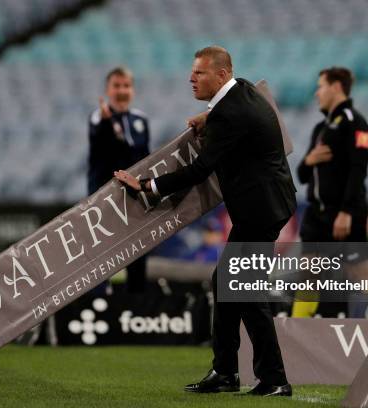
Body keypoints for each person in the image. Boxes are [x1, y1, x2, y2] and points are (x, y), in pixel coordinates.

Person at [115, 46, 296, 397]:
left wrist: (147, 185)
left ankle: (274, 378)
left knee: (245, 290)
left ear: (222, 75)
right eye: (192, 72)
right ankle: (226, 372)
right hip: (267, 204)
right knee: (226, 282)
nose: (190, 78)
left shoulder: (230, 113)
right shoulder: (242, 90)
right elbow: (234, 112)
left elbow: (200, 170)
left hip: (261, 210)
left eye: (199, 73)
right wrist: (208, 116)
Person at [292, 67, 368, 318]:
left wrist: (346, 211)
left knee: (360, 274)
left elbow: (359, 170)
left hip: (344, 214)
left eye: (320, 86)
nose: (316, 93)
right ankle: (292, 337)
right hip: (316, 215)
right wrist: (309, 160)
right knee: (308, 275)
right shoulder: (319, 130)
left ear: (336, 87)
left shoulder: (357, 124)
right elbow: (302, 175)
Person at [88, 67, 150, 293]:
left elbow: (144, 158)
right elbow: (106, 148)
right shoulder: (98, 118)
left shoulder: (141, 119)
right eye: (117, 86)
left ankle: (138, 310)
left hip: (134, 198)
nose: (122, 91)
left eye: (126, 86)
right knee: (102, 259)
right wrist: (107, 124)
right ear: (108, 90)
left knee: (138, 255)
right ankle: (99, 306)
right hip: (105, 200)